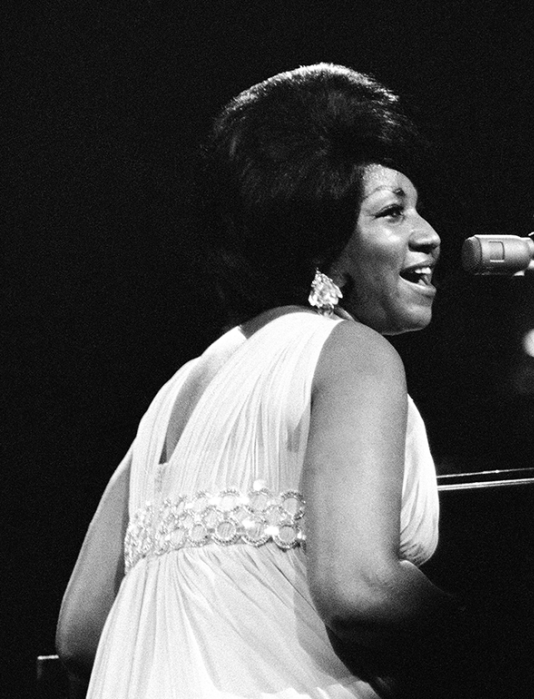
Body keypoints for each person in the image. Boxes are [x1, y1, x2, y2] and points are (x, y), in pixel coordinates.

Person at [56, 63, 469, 698]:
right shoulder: (351, 353)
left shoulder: (177, 393)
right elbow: (359, 590)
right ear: (322, 242)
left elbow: (82, 634)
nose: (430, 235)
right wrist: (501, 631)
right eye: (392, 213)